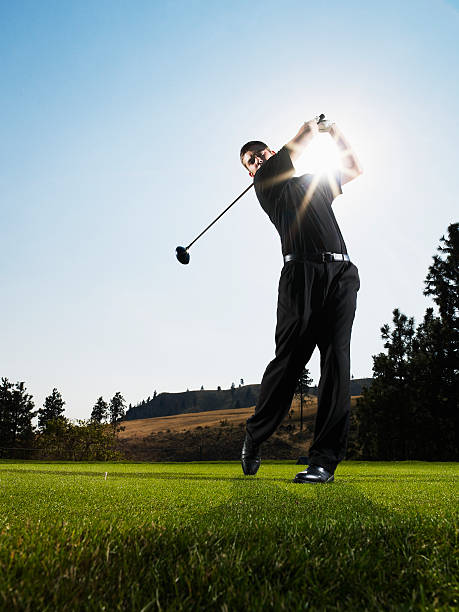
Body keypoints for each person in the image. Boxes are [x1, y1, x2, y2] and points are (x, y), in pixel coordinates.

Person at [239, 116, 362, 483]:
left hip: (341, 275)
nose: (258, 161)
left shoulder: (314, 184)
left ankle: (323, 463)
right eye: (251, 161)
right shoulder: (266, 186)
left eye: (261, 154)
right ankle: (255, 433)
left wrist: (337, 133)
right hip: (299, 277)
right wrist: (310, 128)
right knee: (290, 361)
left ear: (270, 151)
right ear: (251, 173)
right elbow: (293, 150)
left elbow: (354, 168)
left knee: (337, 364)